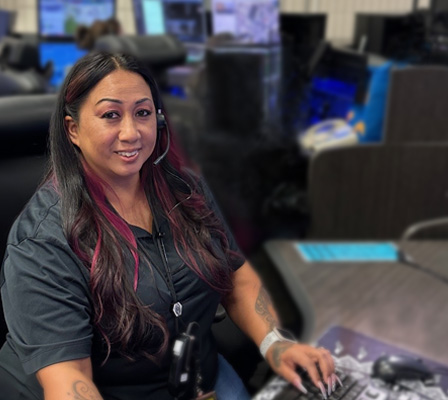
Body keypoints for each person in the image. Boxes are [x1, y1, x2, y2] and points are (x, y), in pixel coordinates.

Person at [0, 51, 336, 400]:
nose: (130, 132)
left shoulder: (185, 189)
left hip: (200, 380)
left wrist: (276, 344)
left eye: (142, 113)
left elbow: (236, 275)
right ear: (73, 129)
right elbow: (68, 378)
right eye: (111, 115)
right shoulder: (43, 239)